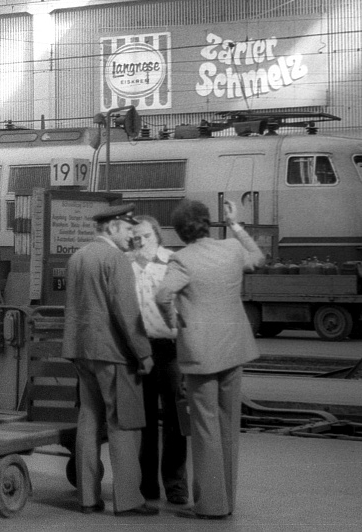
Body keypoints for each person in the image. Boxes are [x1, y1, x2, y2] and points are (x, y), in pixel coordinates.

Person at [155, 199, 264, 520]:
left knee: (205, 429)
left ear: (180, 230)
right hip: (234, 348)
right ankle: (227, 500)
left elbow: (163, 295)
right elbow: (258, 258)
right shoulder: (231, 249)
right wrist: (235, 224)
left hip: (201, 355)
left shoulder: (182, 259)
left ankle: (211, 505)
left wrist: (174, 321)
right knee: (229, 426)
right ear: (207, 222)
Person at [61, 202, 155, 517]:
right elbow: (127, 313)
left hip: (80, 351)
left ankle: (87, 498)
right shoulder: (115, 259)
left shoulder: (78, 257)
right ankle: (129, 500)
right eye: (128, 229)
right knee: (123, 424)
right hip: (112, 354)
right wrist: (143, 352)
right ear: (113, 227)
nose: (132, 235)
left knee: (88, 420)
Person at [130, 214, 188, 506]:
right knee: (145, 420)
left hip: (171, 348)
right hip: (140, 348)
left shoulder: (172, 260)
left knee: (177, 417)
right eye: (135, 236)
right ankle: (147, 484)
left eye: (145, 235)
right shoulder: (126, 264)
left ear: (156, 234)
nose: (140, 241)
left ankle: (176, 485)